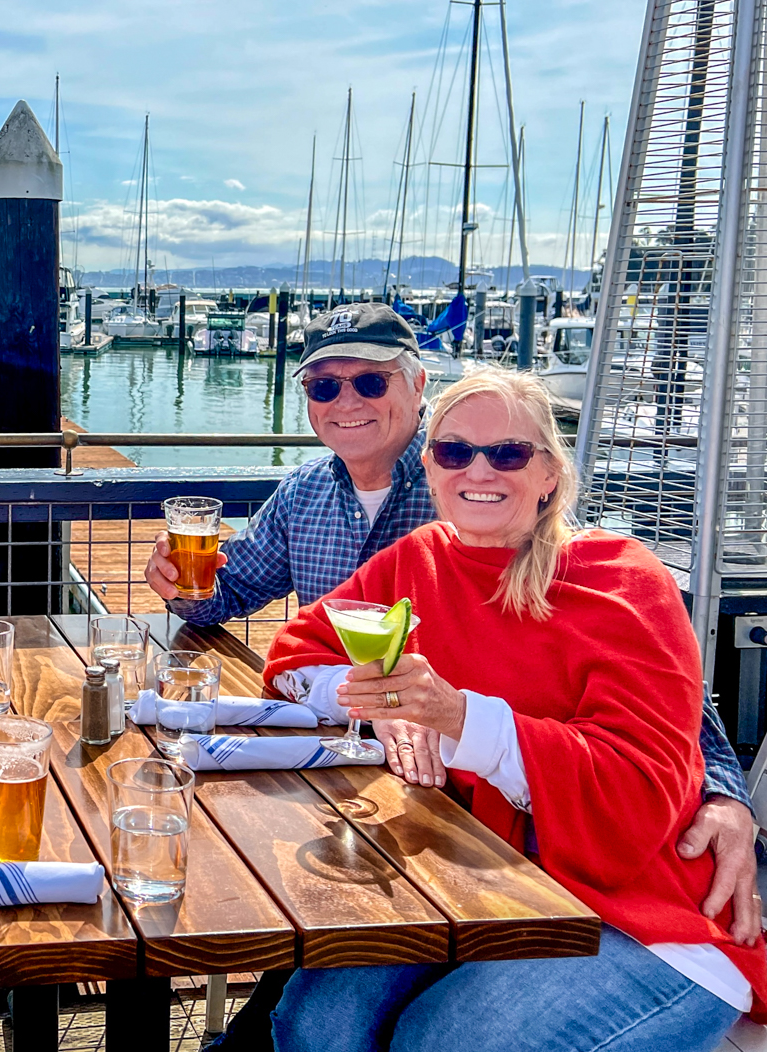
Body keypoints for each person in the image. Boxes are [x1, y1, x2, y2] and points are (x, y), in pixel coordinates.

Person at [145, 303, 758, 1049]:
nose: (478, 470)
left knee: (434, 1040)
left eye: (508, 454)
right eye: (456, 452)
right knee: (317, 1025)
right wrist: (374, 701)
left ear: (550, 472)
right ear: (432, 465)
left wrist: (725, 795)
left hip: (640, 905)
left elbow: (672, 733)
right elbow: (289, 641)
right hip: (474, 861)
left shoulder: (617, 576)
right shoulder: (397, 542)